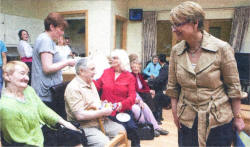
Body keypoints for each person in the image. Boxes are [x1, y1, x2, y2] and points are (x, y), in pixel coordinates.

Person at [166, 1, 246, 146]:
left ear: (195, 23)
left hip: (218, 120)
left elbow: (234, 87)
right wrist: (175, 114)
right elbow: (173, 87)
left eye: (178, 24)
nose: (174, 29)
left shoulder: (222, 48)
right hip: (187, 119)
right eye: (173, 25)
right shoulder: (176, 51)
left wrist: (237, 117)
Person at [0, 61, 79, 147]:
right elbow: (21, 140)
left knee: (76, 135)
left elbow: (42, 109)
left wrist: (65, 123)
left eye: (27, 74)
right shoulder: (7, 107)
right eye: (22, 74)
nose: (27, 78)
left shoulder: (28, 90)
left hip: (41, 132)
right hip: (28, 143)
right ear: (7, 76)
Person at [64, 58, 125, 146]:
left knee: (121, 131)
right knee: (105, 144)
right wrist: (103, 112)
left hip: (99, 121)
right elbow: (79, 115)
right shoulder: (73, 88)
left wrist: (104, 105)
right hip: (85, 126)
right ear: (81, 71)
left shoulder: (90, 82)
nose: (95, 72)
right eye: (92, 69)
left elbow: (94, 103)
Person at [94, 49, 141, 147]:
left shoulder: (129, 77)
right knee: (119, 132)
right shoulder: (106, 72)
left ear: (122, 60)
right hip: (106, 111)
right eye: (112, 58)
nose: (112, 60)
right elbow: (96, 86)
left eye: (115, 58)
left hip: (122, 111)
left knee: (134, 130)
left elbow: (132, 97)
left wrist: (122, 104)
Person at [31, 12, 76, 106]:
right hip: (45, 93)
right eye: (61, 29)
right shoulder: (45, 40)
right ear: (52, 27)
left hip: (47, 90)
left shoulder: (46, 39)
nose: (62, 33)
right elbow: (47, 68)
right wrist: (67, 62)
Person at [130, 60, 169, 137]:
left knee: (155, 97)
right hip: (136, 96)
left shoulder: (139, 75)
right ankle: (149, 127)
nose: (135, 69)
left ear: (140, 68)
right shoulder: (131, 76)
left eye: (137, 67)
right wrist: (142, 97)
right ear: (131, 68)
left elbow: (144, 85)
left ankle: (155, 127)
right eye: (134, 67)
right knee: (145, 104)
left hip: (140, 95)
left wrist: (149, 90)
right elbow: (134, 90)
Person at [150, 54, 170, 124]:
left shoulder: (165, 67)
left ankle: (157, 119)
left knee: (157, 103)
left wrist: (151, 81)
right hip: (161, 86)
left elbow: (161, 79)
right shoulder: (164, 67)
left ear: (159, 60)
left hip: (161, 87)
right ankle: (160, 117)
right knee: (159, 103)